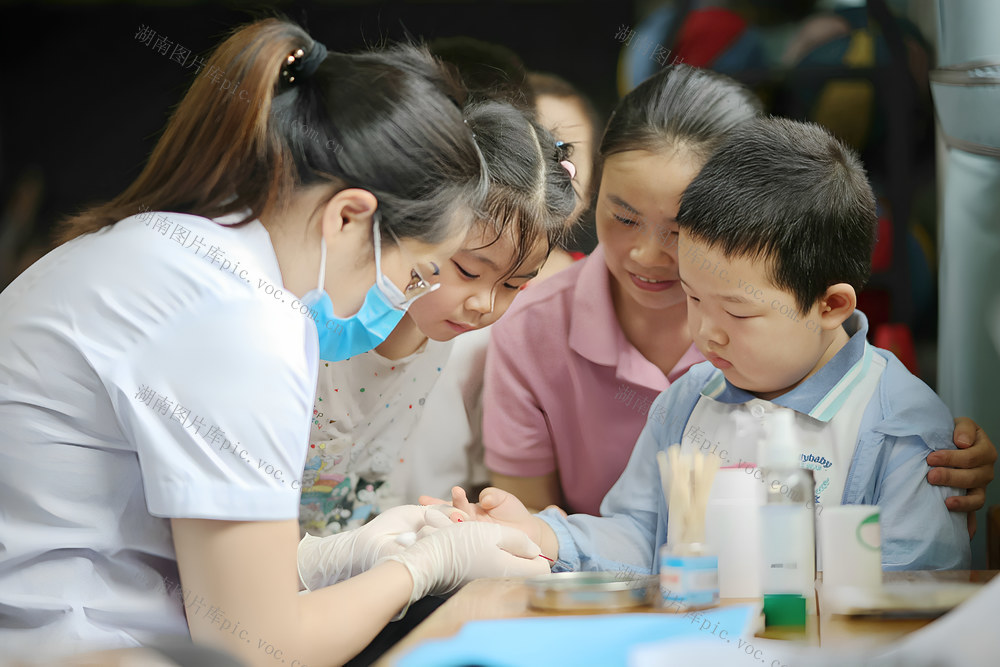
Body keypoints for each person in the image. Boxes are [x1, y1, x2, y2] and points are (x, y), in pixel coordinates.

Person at [0, 18, 546, 665]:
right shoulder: (244, 320)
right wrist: (423, 566)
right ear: (348, 216)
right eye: (417, 271)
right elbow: (261, 651)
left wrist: (342, 553)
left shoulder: (172, 249)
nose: (403, 298)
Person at [443, 117, 972, 573]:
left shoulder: (897, 424)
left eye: (739, 311)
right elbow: (641, 535)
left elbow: (918, 586)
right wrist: (545, 536)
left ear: (830, 306)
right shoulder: (689, 399)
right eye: (694, 299)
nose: (706, 333)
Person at [296, 98, 576, 539]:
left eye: (512, 285)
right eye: (468, 271)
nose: (484, 303)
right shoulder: (324, 322)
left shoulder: (441, 333)